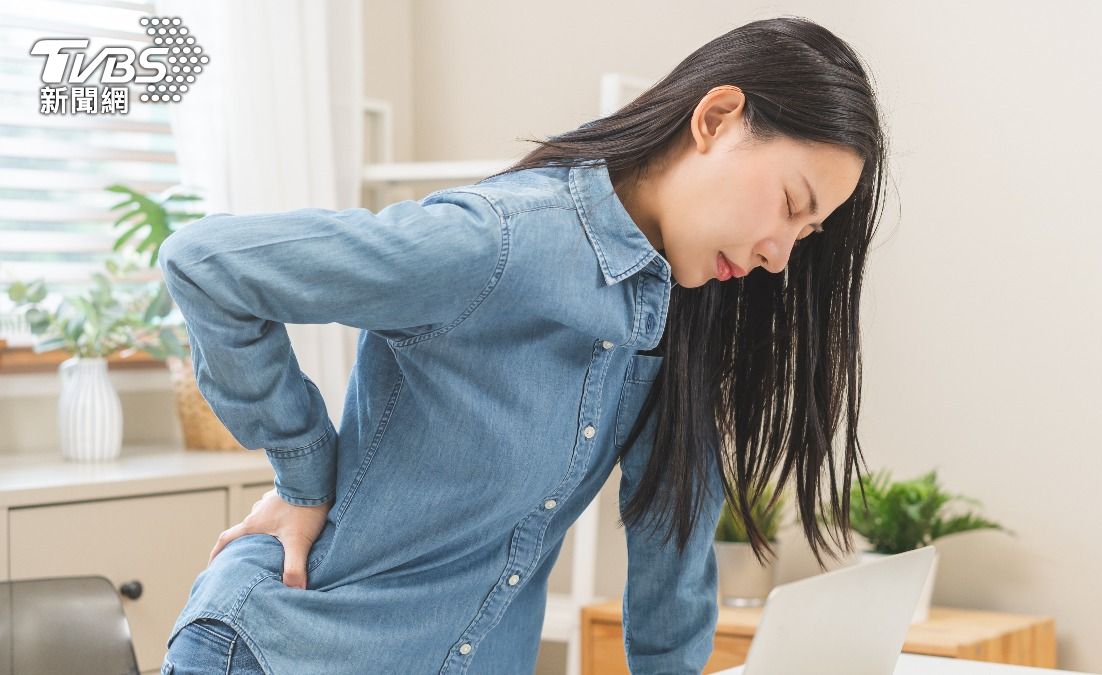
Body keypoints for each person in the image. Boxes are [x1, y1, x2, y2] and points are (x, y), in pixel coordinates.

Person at [157, 14, 886, 675]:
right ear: (717, 119)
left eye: (807, 233)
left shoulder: (679, 314)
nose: (782, 256)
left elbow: (673, 535)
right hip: (288, 648)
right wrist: (304, 473)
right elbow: (209, 262)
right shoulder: (502, 241)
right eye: (791, 205)